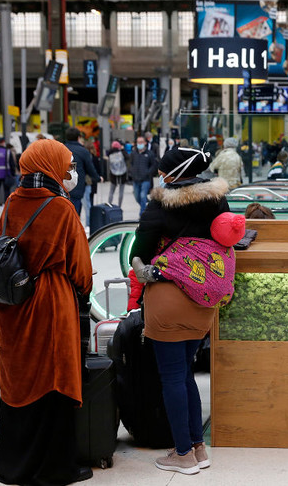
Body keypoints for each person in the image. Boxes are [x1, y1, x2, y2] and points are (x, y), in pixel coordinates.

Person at [0, 139, 93, 485]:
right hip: (48, 303)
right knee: (52, 378)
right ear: (50, 167)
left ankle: (13, 465)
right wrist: (83, 294)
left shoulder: (12, 202)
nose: (69, 173)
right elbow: (80, 269)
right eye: (66, 167)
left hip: (10, 303)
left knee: (18, 375)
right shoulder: (62, 209)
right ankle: (54, 467)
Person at [128, 147, 232, 475]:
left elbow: (139, 250)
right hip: (204, 299)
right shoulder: (218, 200)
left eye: (164, 171)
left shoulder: (160, 204)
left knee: (173, 376)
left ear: (174, 173)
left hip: (169, 297)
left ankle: (182, 454)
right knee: (185, 372)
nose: (161, 176)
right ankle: (198, 448)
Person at [63, 127, 101, 219]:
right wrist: (98, 178)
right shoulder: (83, 151)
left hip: (61, 188)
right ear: (78, 137)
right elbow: (90, 169)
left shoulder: (61, 149)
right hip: (76, 188)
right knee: (75, 216)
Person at [130, 134, 160, 215]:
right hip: (136, 179)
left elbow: (154, 165)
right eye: (138, 142)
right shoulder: (133, 153)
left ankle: (142, 214)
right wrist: (132, 172)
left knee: (143, 196)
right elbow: (131, 164)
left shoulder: (150, 153)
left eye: (141, 142)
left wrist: (148, 172)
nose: (139, 144)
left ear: (145, 143)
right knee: (137, 197)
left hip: (146, 179)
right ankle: (146, 208)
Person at [106, 140, 128, 207]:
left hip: (113, 175)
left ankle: (109, 204)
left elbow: (109, 165)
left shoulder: (109, 154)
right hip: (123, 174)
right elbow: (128, 158)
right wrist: (123, 149)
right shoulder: (122, 153)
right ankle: (119, 206)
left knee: (111, 191)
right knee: (121, 191)